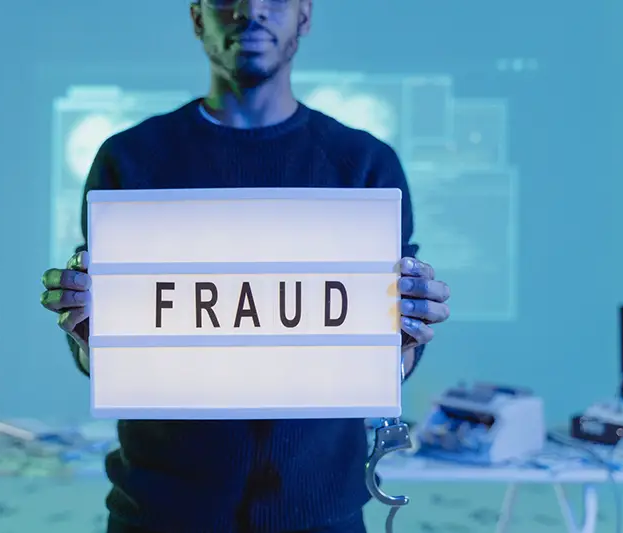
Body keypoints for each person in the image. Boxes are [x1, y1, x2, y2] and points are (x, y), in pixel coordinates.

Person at [40, 1, 451, 532]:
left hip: (319, 513)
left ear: (304, 16)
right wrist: (88, 334)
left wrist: (408, 339)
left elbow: (391, 357)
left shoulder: (364, 165)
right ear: (197, 18)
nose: (251, 10)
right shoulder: (132, 159)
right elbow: (103, 356)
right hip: (160, 511)